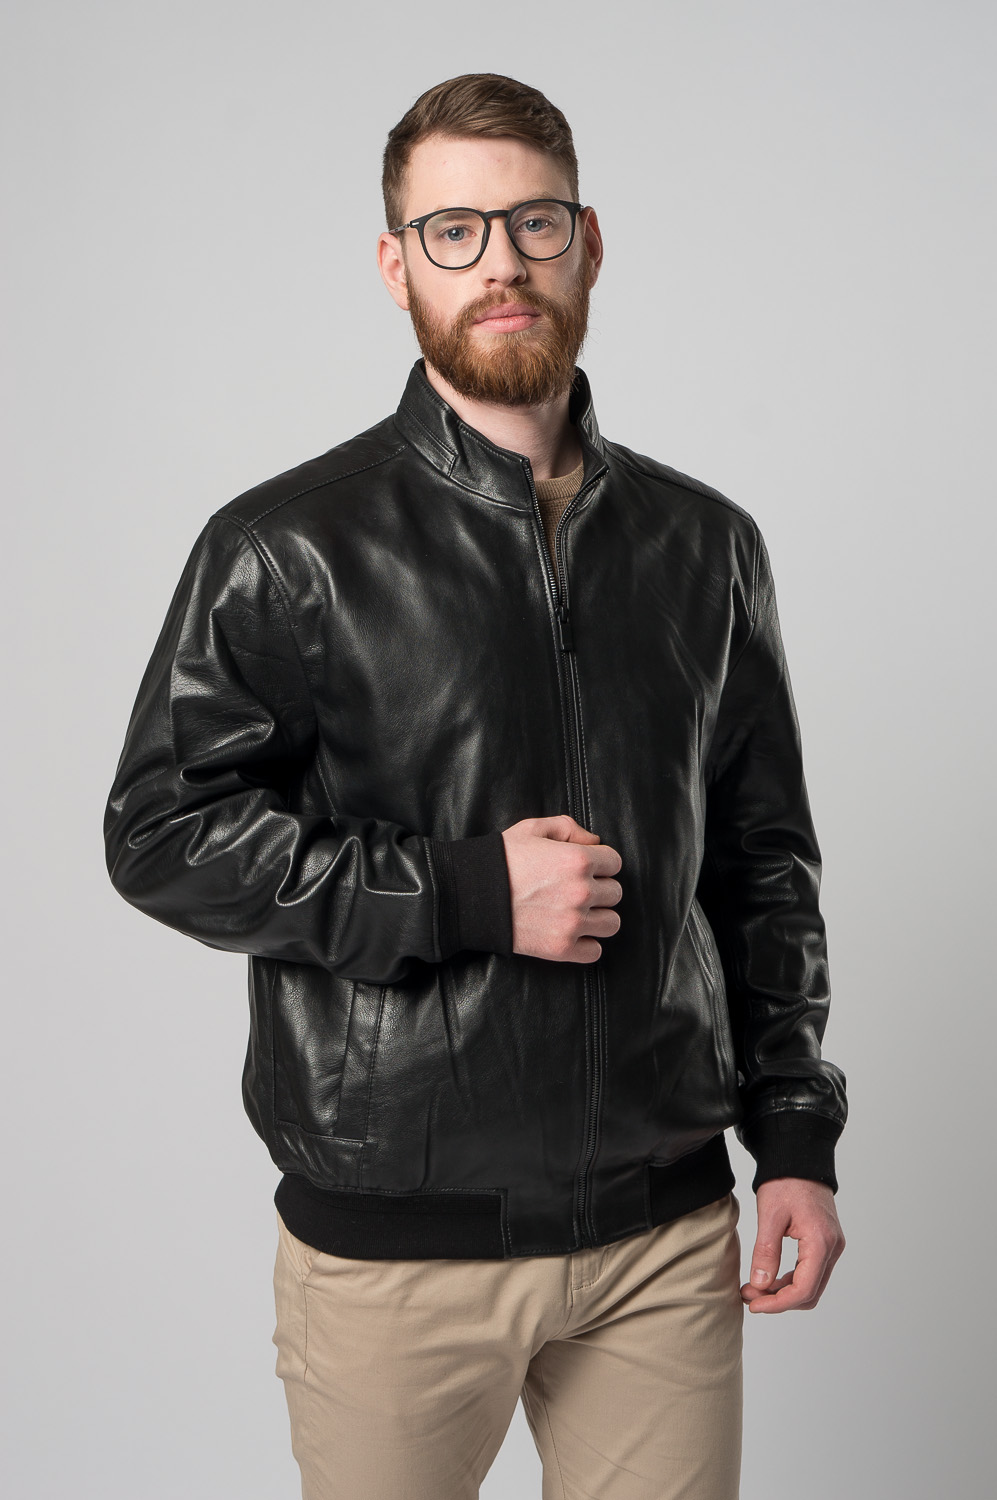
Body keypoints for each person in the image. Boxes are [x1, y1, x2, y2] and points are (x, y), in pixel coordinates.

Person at [104, 71, 847, 1500]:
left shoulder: (706, 544)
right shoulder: (286, 548)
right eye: (453, 230)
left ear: (587, 243)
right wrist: (461, 892)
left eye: (532, 222)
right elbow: (159, 832)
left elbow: (763, 864)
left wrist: (797, 1138)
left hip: (662, 1234)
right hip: (397, 1246)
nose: (498, 262)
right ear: (397, 266)